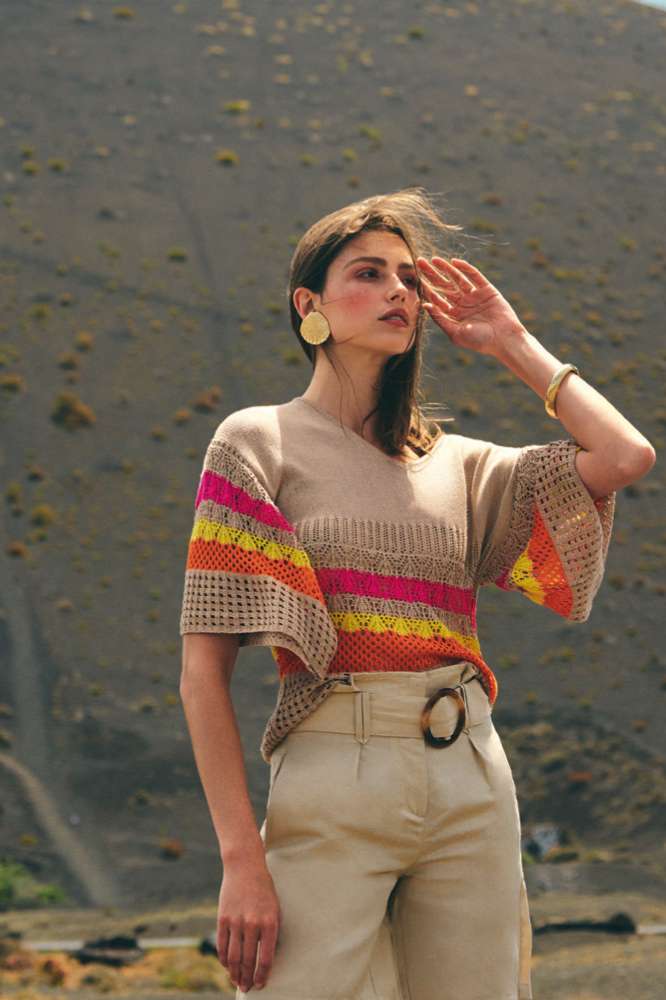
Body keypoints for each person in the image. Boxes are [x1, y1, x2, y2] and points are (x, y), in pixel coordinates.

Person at [178, 187, 655, 1000]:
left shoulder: (459, 465)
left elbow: (625, 456)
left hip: (470, 774)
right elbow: (202, 674)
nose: (398, 290)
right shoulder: (256, 442)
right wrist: (241, 862)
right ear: (310, 306)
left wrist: (512, 342)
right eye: (369, 273)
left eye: (408, 277)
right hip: (332, 767)